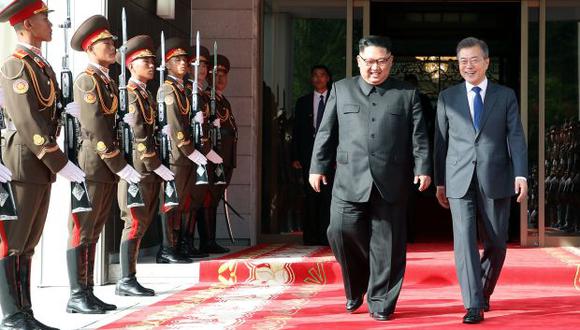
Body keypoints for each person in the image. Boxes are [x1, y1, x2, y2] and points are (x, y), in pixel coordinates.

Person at [309, 36, 431, 321]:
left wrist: (422, 167)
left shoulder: (406, 93)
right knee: (339, 230)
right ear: (358, 61)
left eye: (381, 61)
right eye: (369, 61)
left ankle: (381, 302)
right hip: (348, 179)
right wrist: (318, 166)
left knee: (387, 246)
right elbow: (326, 132)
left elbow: (419, 136)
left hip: (392, 180)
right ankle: (355, 287)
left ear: (391, 61)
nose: (374, 67)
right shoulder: (342, 89)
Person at [0, 1, 85, 328]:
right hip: (24, 161)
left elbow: (46, 112)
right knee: (14, 240)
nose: (49, 24)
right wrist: (59, 160)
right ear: (25, 25)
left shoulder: (40, 65)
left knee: (30, 242)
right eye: (43, 18)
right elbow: (28, 122)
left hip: (39, 165)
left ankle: (26, 312)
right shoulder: (16, 66)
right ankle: (11, 314)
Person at [434, 37, 528, 324]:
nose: (468, 66)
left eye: (474, 59)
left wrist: (521, 173)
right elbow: (440, 141)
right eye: (463, 61)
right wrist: (440, 181)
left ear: (486, 62)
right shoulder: (447, 97)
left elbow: (515, 136)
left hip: (496, 176)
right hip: (459, 178)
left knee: (498, 243)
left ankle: (483, 290)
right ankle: (473, 303)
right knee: (463, 242)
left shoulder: (505, 95)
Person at [66, 14, 139, 314]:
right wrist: (118, 163)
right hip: (94, 165)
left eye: (112, 42)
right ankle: (76, 293)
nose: (113, 47)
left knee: (94, 230)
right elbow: (94, 126)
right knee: (82, 229)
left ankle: (88, 290)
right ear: (89, 48)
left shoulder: (107, 81)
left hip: (105, 167)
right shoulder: (87, 80)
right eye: (105, 43)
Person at [115, 35, 175, 296]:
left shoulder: (146, 95)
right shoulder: (129, 94)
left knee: (143, 220)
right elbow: (138, 134)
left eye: (152, 60)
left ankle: (130, 276)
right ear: (130, 65)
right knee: (135, 221)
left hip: (148, 170)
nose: (151, 65)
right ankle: (126, 279)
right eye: (144, 61)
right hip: (138, 169)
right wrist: (155, 164)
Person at [156, 38, 212, 262]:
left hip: (186, 156)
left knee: (183, 202)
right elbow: (177, 125)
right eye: (176, 60)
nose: (183, 64)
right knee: (171, 202)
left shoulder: (183, 89)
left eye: (184, 60)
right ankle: (167, 248)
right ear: (167, 64)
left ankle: (177, 245)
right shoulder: (168, 89)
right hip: (176, 155)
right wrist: (191, 150)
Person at [291, 65, 333, 245]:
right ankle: (310, 236)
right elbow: (296, 132)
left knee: (328, 196)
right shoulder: (303, 102)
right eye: (315, 75)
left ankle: (327, 236)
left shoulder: (335, 99)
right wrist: (295, 156)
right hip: (308, 155)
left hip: (331, 156)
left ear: (328, 78)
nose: (318, 78)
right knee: (310, 195)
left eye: (322, 75)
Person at [199, 54, 237, 254]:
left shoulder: (223, 101)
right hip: (213, 157)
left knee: (214, 200)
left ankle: (211, 239)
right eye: (215, 74)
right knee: (207, 199)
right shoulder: (206, 97)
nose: (220, 79)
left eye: (223, 74)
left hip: (225, 158)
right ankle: (206, 240)